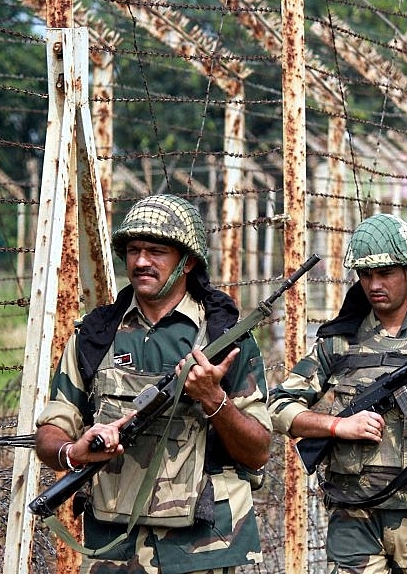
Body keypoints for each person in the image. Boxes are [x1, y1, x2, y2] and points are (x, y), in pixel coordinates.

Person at [34, 194, 272, 573]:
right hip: (113, 547)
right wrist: (72, 451)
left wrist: (213, 399)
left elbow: (258, 451)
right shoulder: (95, 336)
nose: (141, 261)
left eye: (157, 251)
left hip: (203, 548)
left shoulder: (224, 338)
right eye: (133, 250)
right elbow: (51, 430)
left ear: (188, 261)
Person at [268, 213, 407, 573]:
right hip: (354, 514)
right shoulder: (339, 341)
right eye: (366, 275)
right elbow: (279, 407)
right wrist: (338, 427)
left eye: (384, 273)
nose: (374, 284)